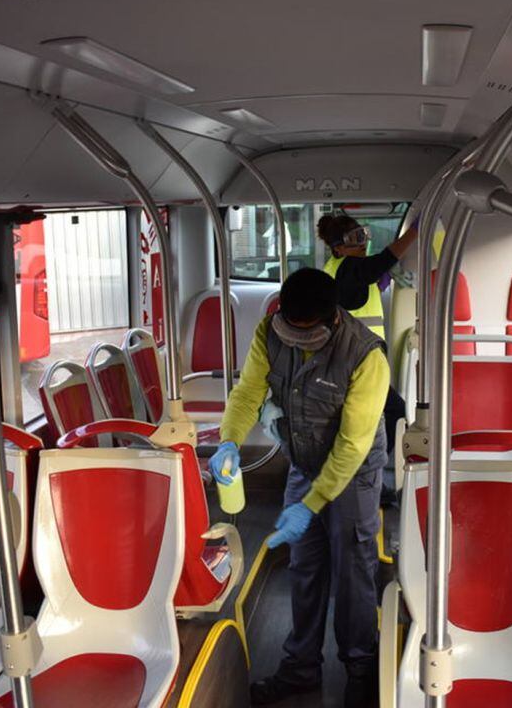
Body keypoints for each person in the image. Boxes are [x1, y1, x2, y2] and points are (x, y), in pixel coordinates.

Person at [210, 268, 389, 707]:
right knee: (304, 568)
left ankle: (361, 668)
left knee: (353, 570)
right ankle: (301, 667)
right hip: (303, 460)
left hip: (355, 471)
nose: (294, 339)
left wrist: (311, 503)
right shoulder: (269, 332)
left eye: (306, 334)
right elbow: (248, 391)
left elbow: (350, 446)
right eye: (289, 328)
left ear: (333, 321)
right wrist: (230, 439)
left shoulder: (367, 356)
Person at [318, 214, 417, 480]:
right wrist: (416, 230)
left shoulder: (339, 268)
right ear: (338, 247)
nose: (362, 244)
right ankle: (368, 472)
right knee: (396, 413)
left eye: (362, 236)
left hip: (351, 359)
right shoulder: (348, 268)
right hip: (356, 361)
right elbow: (382, 261)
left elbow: (370, 278)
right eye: (353, 240)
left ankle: (362, 474)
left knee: (366, 419)